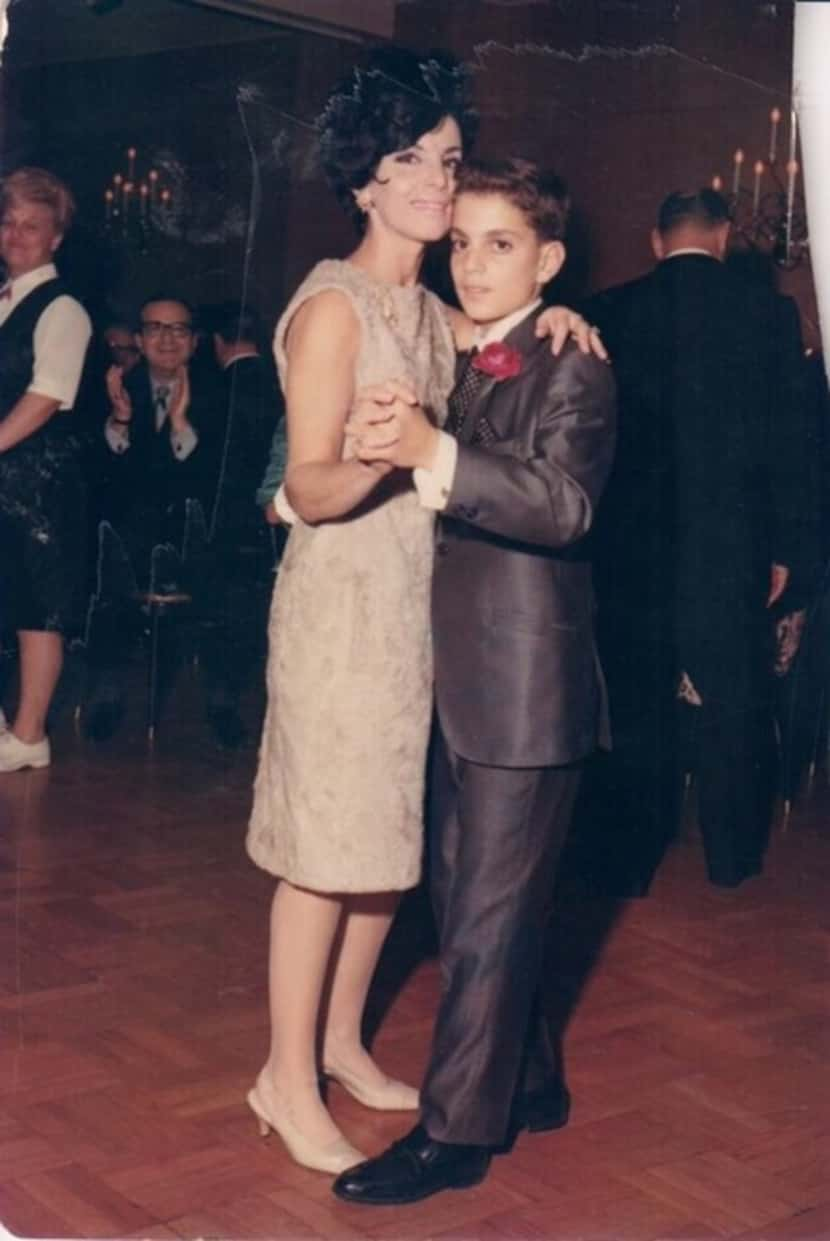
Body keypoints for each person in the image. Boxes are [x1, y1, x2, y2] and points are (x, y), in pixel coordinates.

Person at [244, 48, 601, 1177]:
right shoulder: (338, 304)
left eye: (445, 158)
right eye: (408, 159)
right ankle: (282, 1077)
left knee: (383, 857)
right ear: (361, 180)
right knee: (322, 856)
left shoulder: (424, 303)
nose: (435, 181)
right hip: (344, 609)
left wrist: (566, 322)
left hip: (417, 617)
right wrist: (383, 463)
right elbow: (303, 488)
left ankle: (344, 1042)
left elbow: (502, 335)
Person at [332, 157, 615, 1205]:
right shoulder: (482, 348)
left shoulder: (572, 362)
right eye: (463, 240)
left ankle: (452, 1135)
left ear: (547, 260)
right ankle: (528, 1077)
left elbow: (563, 506)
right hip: (462, 682)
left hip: (523, 692)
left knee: (485, 916)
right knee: (471, 907)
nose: (474, 261)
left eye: (501, 244)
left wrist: (430, 450)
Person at [575, 189, 816, 893]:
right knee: (734, 698)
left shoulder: (609, 310)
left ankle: (629, 861)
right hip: (730, 541)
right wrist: (788, 550)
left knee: (634, 695)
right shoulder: (769, 315)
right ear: (724, 235)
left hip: (630, 543)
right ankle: (732, 856)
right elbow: (795, 445)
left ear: (656, 240)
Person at [0, 167, 92, 772]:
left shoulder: (64, 310)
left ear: (56, 237)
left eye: (32, 225)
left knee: (36, 607)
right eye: (7, 222)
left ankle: (30, 736)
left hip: (38, 478)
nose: (16, 235)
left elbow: (47, 395)